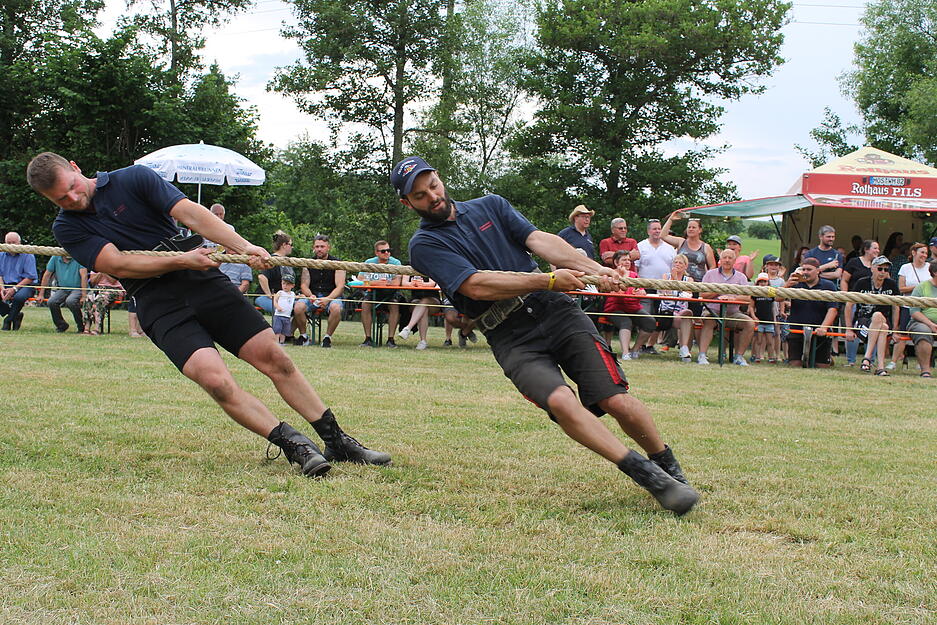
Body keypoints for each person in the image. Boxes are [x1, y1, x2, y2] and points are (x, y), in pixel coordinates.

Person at [27, 151, 390, 476]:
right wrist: (182, 259)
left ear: (76, 168)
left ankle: (337, 441)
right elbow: (117, 263)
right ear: (48, 200)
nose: (73, 198)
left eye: (73, 186)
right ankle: (294, 444)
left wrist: (245, 246)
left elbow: (190, 213)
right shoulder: (67, 227)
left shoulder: (133, 178)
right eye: (61, 198)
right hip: (158, 301)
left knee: (275, 359)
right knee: (214, 380)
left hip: (202, 280)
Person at [394, 155, 699, 515]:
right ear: (407, 203)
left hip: (555, 310)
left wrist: (593, 268)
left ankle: (666, 464)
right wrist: (548, 279)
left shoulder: (490, 205)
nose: (432, 196)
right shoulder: (424, 245)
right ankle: (647, 475)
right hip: (509, 333)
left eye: (432, 185)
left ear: (439, 178)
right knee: (560, 401)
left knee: (614, 398)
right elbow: (475, 286)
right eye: (419, 195)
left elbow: (539, 240)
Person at [696, 249, 755, 366]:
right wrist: (718, 292)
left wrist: (734, 298)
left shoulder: (741, 277)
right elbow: (702, 294)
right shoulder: (710, 274)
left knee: (749, 323)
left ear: (734, 261)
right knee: (708, 321)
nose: (727, 260)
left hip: (732, 313)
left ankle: (739, 356)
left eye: (730, 258)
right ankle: (702, 355)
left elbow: (747, 298)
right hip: (712, 311)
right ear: (720, 260)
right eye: (725, 257)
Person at [845, 256, 899, 376]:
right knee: (881, 324)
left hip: (882, 322)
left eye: (886, 270)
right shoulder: (861, 282)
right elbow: (849, 305)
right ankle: (879, 366)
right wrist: (848, 329)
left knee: (880, 320)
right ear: (872, 269)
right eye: (880, 269)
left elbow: (896, 308)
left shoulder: (891, 284)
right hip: (862, 322)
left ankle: (867, 359)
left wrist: (895, 330)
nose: (883, 272)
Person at [255, 231, 311, 345]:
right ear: (284, 245)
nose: (292, 247)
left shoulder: (287, 261)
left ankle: (287, 334)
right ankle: (278, 336)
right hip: (265, 297)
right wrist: (269, 295)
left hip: (285, 297)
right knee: (285, 308)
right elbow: (262, 277)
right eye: (290, 244)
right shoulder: (272, 259)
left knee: (299, 307)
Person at [783, 258, 839, 368]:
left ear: (818, 271)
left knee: (821, 366)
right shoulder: (795, 284)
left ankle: (827, 358)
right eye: (803, 269)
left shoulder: (828, 286)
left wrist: (824, 327)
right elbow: (778, 298)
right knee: (795, 365)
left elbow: (832, 309)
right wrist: (787, 285)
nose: (805, 272)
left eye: (809, 269)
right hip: (797, 330)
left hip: (819, 331)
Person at [602, 252, 655, 360]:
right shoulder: (610, 275)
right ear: (616, 262)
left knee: (650, 321)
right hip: (614, 308)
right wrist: (625, 275)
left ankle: (634, 349)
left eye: (629, 260)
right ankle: (625, 353)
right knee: (626, 322)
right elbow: (618, 294)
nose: (627, 262)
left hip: (633, 307)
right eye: (624, 260)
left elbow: (642, 291)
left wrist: (641, 293)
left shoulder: (634, 275)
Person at [886, 242, 930, 370]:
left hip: (926, 308)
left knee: (924, 334)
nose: (924, 255)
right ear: (913, 253)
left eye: (926, 253)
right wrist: (918, 287)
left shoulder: (929, 267)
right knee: (902, 334)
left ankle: (921, 362)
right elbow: (901, 288)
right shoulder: (905, 267)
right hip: (907, 306)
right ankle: (893, 362)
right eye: (922, 252)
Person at [634, 218, 676, 354]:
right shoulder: (641, 246)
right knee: (645, 315)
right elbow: (635, 268)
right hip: (644, 286)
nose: (657, 231)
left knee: (660, 317)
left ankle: (650, 345)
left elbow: (673, 269)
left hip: (663, 288)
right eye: (654, 228)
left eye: (659, 228)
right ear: (648, 231)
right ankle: (640, 345)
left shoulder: (670, 248)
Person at [840, 239, 880, 366]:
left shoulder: (880, 264)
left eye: (878, 249)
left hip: (872, 302)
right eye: (875, 248)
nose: (877, 251)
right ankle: (851, 361)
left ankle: (870, 360)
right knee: (852, 329)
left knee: (872, 330)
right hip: (854, 301)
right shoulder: (854, 262)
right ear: (866, 249)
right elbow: (844, 280)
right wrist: (846, 296)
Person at [357, 240, 403, 348]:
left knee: (395, 305)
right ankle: (368, 339)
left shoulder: (396, 263)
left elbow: (397, 282)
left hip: (390, 294)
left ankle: (391, 340)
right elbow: (359, 279)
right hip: (373, 293)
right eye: (383, 251)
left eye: (388, 250)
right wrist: (374, 283)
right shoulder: (369, 262)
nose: (387, 253)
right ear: (376, 253)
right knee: (365, 304)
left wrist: (386, 284)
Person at [303, 234, 345, 348]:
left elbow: (340, 287)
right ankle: (303, 336)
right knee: (298, 307)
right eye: (317, 246)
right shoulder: (307, 262)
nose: (319, 249)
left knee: (336, 308)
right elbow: (304, 285)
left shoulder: (338, 263)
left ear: (328, 247)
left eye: (322, 246)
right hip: (313, 296)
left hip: (332, 296)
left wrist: (328, 299)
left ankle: (327, 338)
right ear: (313, 247)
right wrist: (310, 295)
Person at [657, 254, 695, 362]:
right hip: (666, 312)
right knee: (686, 319)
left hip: (681, 311)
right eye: (675, 262)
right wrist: (673, 278)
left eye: (680, 263)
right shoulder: (666, 276)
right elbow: (666, 293)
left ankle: (684, 348)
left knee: (687, 313)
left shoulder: (689, 280)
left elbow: (687, 295)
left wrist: (675, 280)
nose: (677, 264)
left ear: (685, 266)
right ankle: (684, 349)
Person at [36, 253, 87, 333]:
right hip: (63, 288)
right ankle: (61, 325)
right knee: (51, 302)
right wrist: (41, 294)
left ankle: (81, 326)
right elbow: (47, 275)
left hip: (78, 288)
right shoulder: (55, 257)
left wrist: (84, 295)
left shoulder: (79, 256)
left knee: (71, 301)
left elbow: (84, 276)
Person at [0, 232, 38, 330]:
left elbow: (30, 277)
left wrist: (14, 289)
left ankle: (8, 320)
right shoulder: (1, 255)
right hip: (5, 284)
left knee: (19, 297)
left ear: (19, 243)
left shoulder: (28, 255)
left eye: (14, 242)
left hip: (25, 285)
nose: (11, 245)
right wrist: (2, 288)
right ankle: (15, 315)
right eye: (8, 243)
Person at [906, 260, 937, 378]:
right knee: (923, 331)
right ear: (935, 272)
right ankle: (925, 371)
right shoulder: (921, 287)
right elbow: (914, 312)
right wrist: (930, 324)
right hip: (921, 322)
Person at [398, 274, 441, 350]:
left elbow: (432, 283)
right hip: (416, 300)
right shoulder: (409, 268)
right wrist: (410, 284)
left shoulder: (431, 267)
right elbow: (403, 282)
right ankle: (423, 341)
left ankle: (408, 328)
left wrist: (423, 284)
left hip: (433, 300)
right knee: (423, 310)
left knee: (424, 302)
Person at [750, 272, 778, 364]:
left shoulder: (771, 293)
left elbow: (777, 302)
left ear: (768, 283)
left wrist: (775, 319)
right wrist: (754, 317)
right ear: (757, 283)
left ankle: (771, 357)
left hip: (769, 320)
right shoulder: (755, 294)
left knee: (770, 341)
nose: (762, 283)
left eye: (764, 282)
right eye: (760, 282)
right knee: (758, 340)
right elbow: (751, 307)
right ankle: (757, 356)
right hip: (759, 321)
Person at [272, 270, 297, 345]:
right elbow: (275, 301)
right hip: (279, 315)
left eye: (288, 284)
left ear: (293, 285)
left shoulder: (292, 294)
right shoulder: (280, 293)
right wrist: (278, 307)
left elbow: (297, 298)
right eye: (284, 284)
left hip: (287, 316)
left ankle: (282, 342)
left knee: (284, 330)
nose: (285, 286)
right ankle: (276, 342)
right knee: (277, 329)